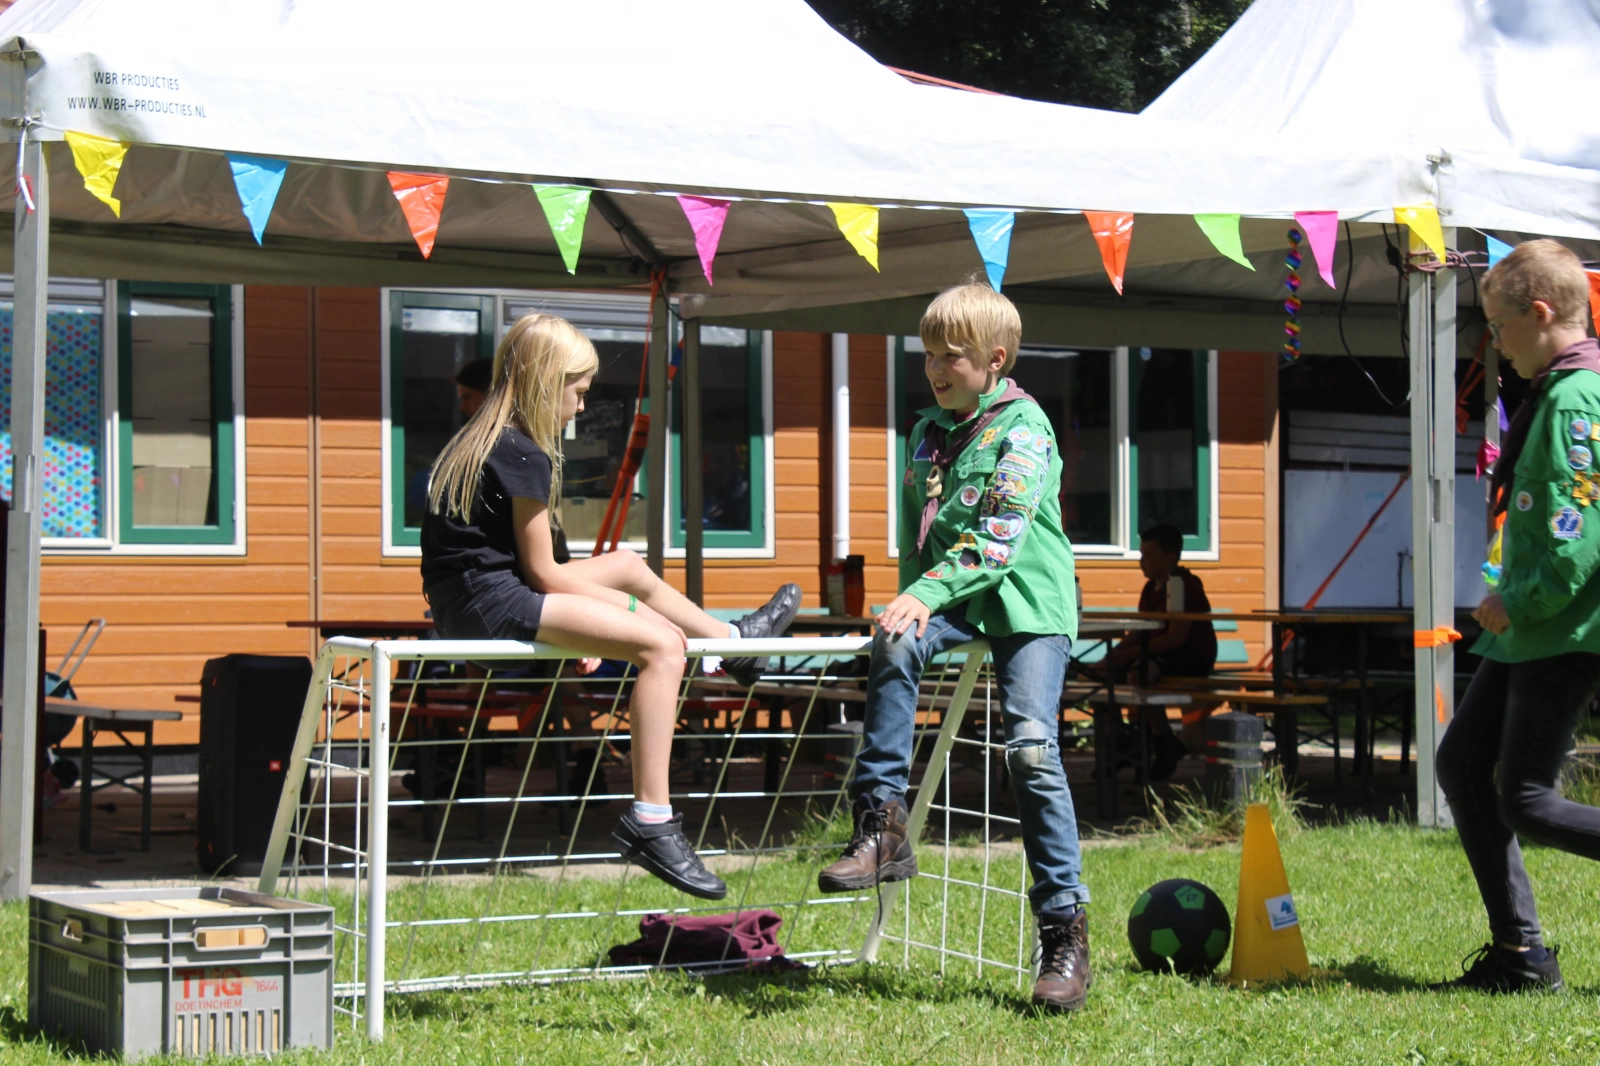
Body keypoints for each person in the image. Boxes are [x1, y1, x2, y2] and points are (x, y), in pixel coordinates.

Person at [420, 312, 801, 901]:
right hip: (493, 601)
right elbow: (544, 574)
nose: (580, 408)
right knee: (661, 647)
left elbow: (529, 569)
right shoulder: (522, 453)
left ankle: (733, 646)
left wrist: (594, 622)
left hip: (473, 598)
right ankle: (652, 820)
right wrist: (630, 620)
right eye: (577, 393)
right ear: (545, 383)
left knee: (625, 563)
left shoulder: (476, 440)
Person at [815, 282, 1090, 1012]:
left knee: (1031, 749)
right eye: (929, 354)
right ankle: (881, 826)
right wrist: (911, 604)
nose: (936, 368)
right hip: (957, 600)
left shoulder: (1025, 429)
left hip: (1027, 603)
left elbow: (997, 538)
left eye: (952, 356)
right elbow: (920, 542)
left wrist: (926, 594)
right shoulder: (927, 432)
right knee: (896, 638)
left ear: (995, 360)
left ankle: (1063, 931)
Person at [1432, 239, 1600, 993]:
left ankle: (1523, 955)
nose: (1494, 342)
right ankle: (1521, 954)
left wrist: (1519, 598)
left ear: (1540, 314)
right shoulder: (1557, 391)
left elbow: (1579, 531)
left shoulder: (1576, 400)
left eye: (1499, 326)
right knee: (1462, 765)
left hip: (1560, 628)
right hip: (1527, 630)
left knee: (1527, 800)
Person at [1100, 523, 1217, 779]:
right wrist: (1113, 655)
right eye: (1141, 554)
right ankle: (1122, 739)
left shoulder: (1186, 584)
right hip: (1156, 653)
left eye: (1149, 554)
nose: (1142, 561)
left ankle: (1163, 739)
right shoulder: (1150, 588)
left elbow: (1176, 638)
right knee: (1101, 674)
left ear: (1170, 556)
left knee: (1138, 674)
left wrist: (1128, 654)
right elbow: (1141, 631)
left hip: (1189, 655)